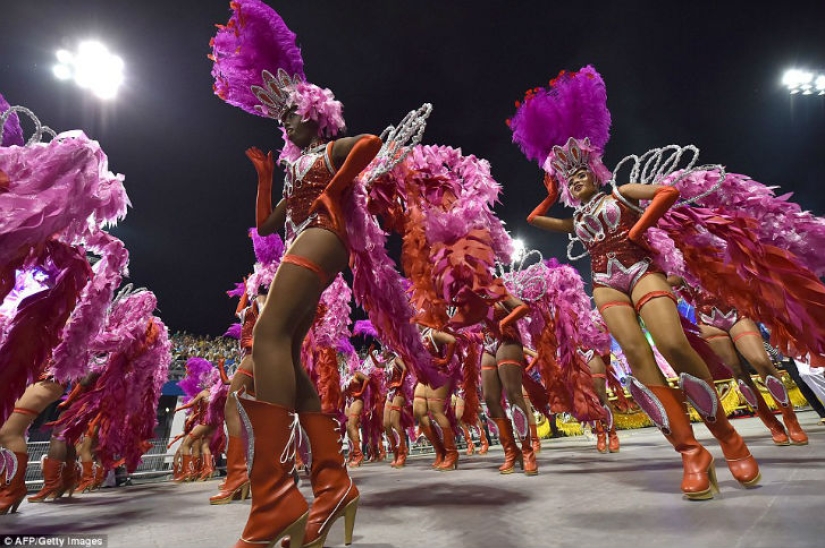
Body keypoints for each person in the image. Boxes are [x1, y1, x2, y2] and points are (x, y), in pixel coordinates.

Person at [513, 65, 760, 499]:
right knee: (636, 358)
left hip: (642, 268)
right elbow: (533, 219)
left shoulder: (620, 193)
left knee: (674, 344)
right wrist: (551, 192)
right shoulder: (576, 219)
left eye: (580, 171)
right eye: (569, 177)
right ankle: (690, 453)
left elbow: (666, 194)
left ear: (594, 168)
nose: (576, 178)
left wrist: (635, 229)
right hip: (607, 283)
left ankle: (728, 439)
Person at [669, 275, 808, 445]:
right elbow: (669, 279)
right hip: (707, 320)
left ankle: (791, 419)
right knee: (738, 373)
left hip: (736, 312)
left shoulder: (714, 247)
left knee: (762, 362)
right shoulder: (674, 256)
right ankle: (772, 424)